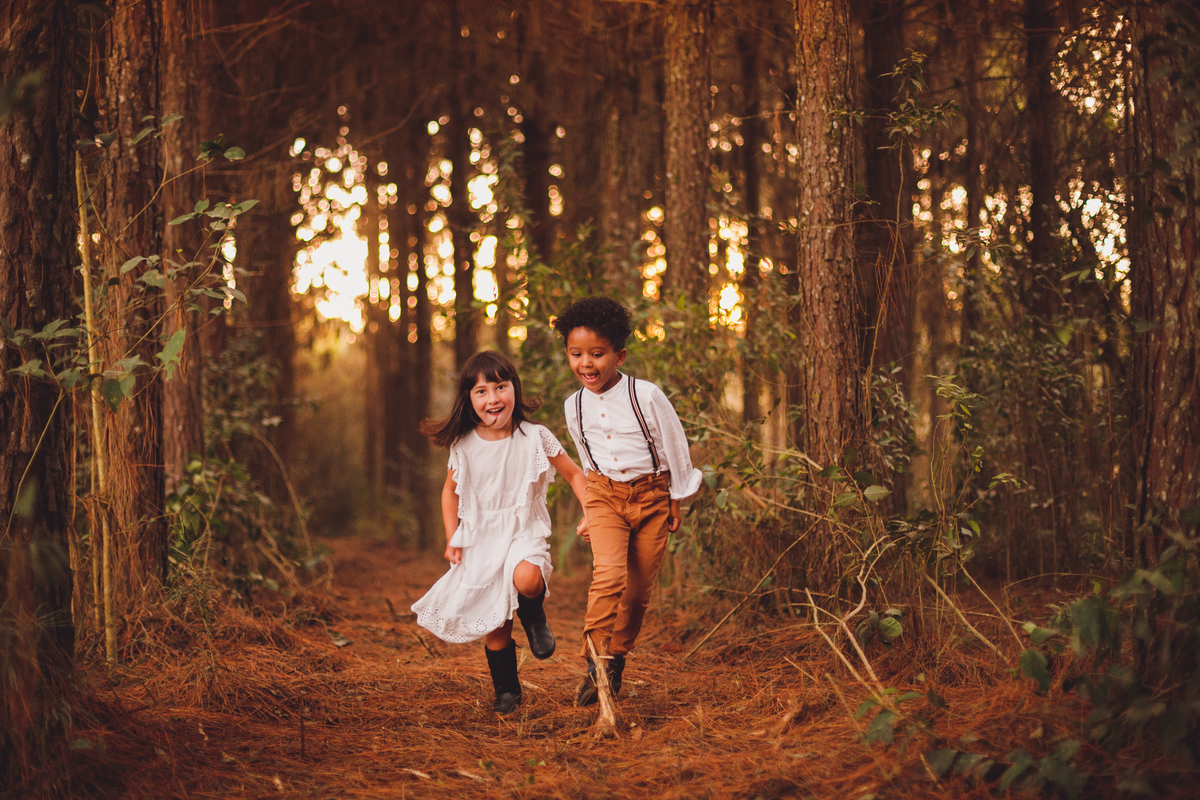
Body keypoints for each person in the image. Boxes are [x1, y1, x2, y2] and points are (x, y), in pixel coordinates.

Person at [411, 350, 588, 716]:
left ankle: (533, 612)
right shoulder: (464, 445)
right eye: (481, 391)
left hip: (523, 529)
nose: (493, 398)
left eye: (500, 387)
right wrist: (452, 536)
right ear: (469, 400)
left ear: (514, 390)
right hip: (480, 539)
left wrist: (591, 513)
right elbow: (449, 491)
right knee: (495, 625)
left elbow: (574, 474)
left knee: (526, 578)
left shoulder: (535, 437)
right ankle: (507, 691)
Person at [552, 297, 703, 706]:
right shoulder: (573, 406)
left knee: (636, 592)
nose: (586, 363)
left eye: (597, 354)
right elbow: (587, 457)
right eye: (576, 354)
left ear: (618, 355)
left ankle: (616, 659)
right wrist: (590, 511)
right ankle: (595, 663)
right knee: (609, 577)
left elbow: (674, 446)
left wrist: (675, 500)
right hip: (603, 495)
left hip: (652, 496)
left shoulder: (646, 396)